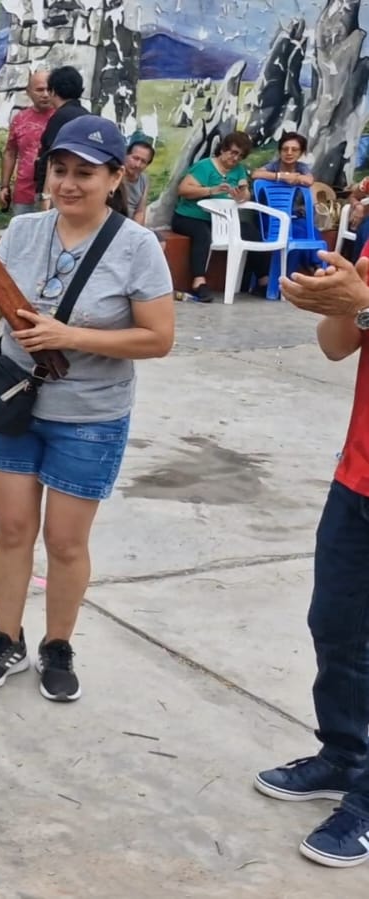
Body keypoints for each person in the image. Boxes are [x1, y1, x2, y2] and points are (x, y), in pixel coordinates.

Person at [0, 116, 174, 702]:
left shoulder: (137, 246)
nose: (68, 183)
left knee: (66, 543)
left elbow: (158, 339)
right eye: (59, 170)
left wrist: (68, 336)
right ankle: (5, 637)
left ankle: (58, 644)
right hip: (14, 405)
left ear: (113, 177)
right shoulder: (24, 231)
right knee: (12, 530)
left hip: (91, 416)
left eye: (84, 172)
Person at [260, 248, 369, 869]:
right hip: (358, 474)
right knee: (335, 626)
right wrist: (331, 299)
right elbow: (337, 345)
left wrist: (364, 307)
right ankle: (345, 754)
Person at [170, 131, 254, 302]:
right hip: (190, 217)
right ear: (223, 149)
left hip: (222, 221)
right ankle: (199, 281)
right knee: (203, 235)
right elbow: (184, 190)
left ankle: (262, 279)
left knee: (251, 232)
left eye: (240, 156)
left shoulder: (238, 170)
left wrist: (242, 193)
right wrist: (211, 190)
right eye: (233, 152)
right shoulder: (205, 166)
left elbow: (245, 197)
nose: (235, 158)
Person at [0, 69, 57, 217]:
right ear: (28, 92)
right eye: (39, 90)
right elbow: (10, 152)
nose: (45, 94)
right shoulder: (20, 119)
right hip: (24, 192)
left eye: (48, 89)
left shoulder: (60, 117)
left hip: (53, 192)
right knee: (21, 235)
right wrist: (4, 186)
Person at [34, 65, 87, 209]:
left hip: (58, 191)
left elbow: (53, 157)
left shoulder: (60, 118)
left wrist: (46, 196)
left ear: (53, 91)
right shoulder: (86, 116)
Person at [120, 138, 155, 225]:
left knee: (158, 238)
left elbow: (140, 211)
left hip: (131, 225)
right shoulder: (114, 175)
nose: (137, 165)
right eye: (135, 158)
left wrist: (136, 232)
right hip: (113, 223)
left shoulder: (144, 179)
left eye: (143, 161)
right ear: (126, 155)